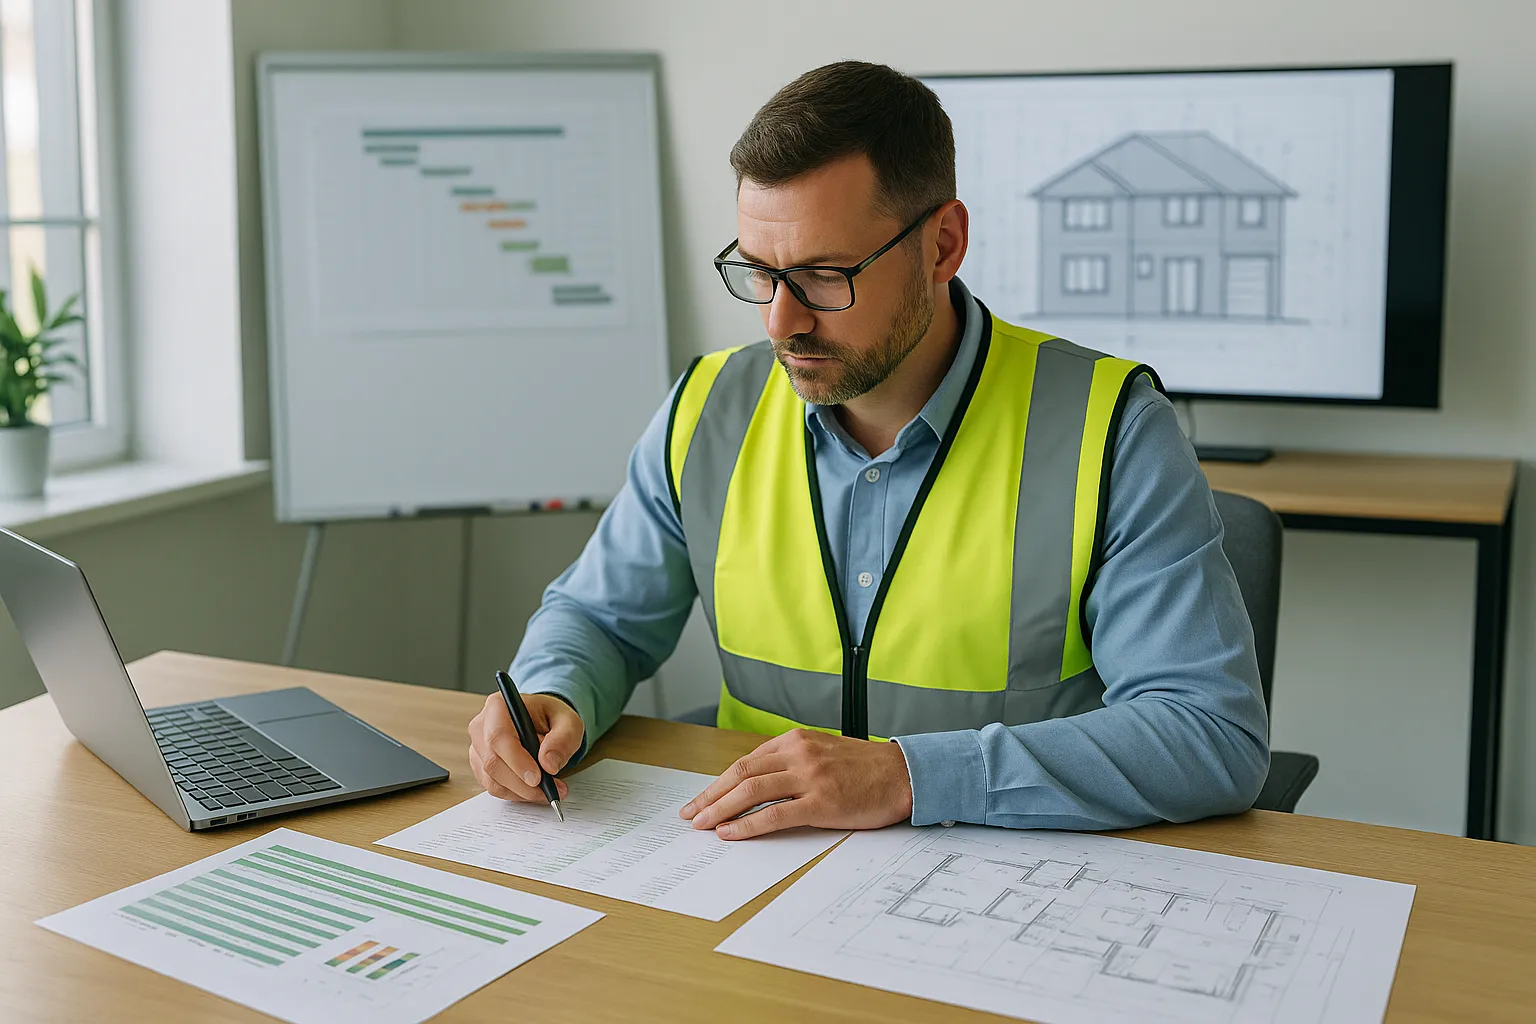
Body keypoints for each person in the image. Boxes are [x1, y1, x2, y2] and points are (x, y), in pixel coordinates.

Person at [467, 61, 1269, 840]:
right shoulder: (708, 407)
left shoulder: (1113, 428)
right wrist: (552, 690)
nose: (781, 321)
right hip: (753, 876)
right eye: (758, 271)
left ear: (943, 246)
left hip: (1008, 886)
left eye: (822, 274)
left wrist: (906, 776)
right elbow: (601, 617)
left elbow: (1209, 734)